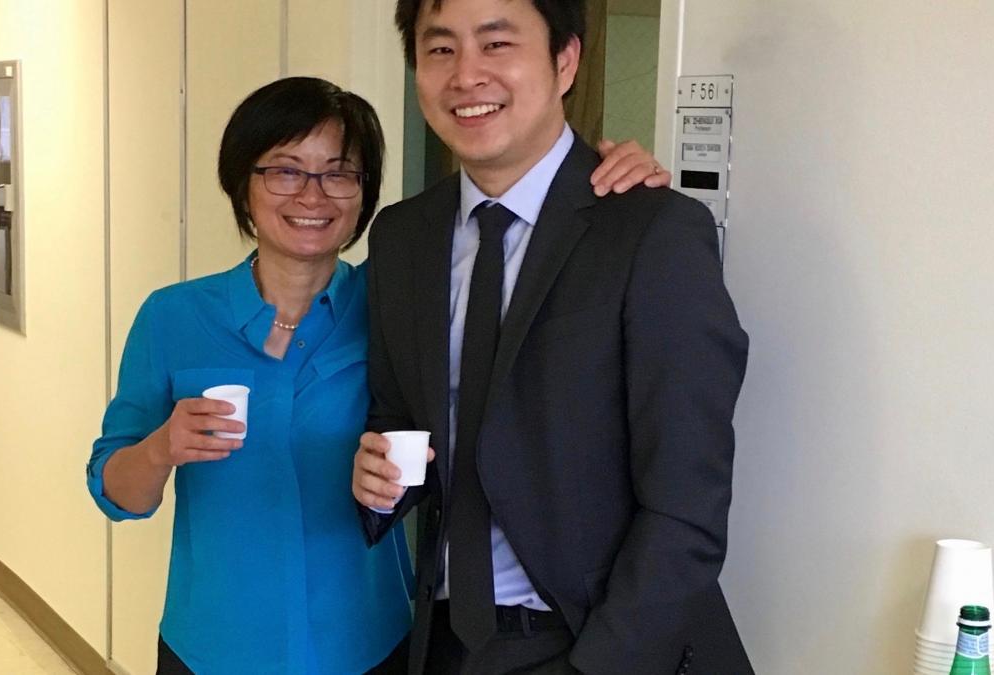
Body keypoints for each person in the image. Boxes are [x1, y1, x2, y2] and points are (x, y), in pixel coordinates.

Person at [87, 75, 671, 674]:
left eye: (339, 173)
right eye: (285, 170)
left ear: (363, 194)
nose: (312, 196)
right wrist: (161, 449)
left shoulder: (402, 303)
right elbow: (115, 493)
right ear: (243, 183)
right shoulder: (173, 317)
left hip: (369, 647)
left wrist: (598, 178)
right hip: (212, 647)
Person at [351, 1, 753, 674]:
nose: (466, 76)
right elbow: (401, 419)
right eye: (441, 50)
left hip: (597, 642)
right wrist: (379, 481)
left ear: (565, 60)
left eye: (497, 44)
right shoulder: (401, 239)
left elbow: (687, 510)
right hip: (445, 640)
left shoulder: (652, 232)